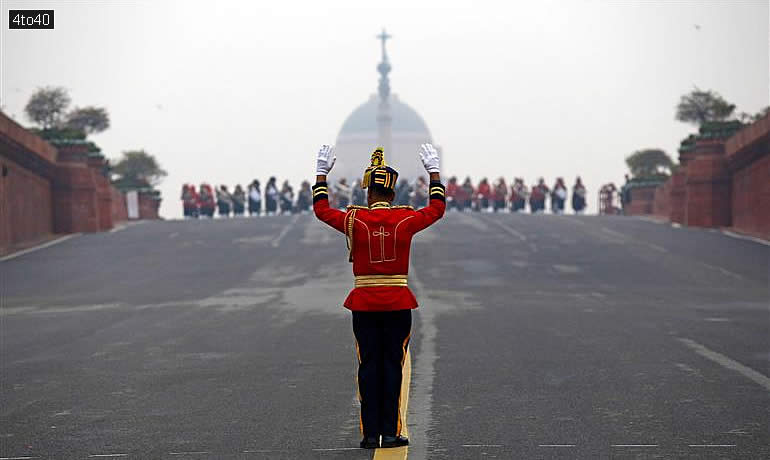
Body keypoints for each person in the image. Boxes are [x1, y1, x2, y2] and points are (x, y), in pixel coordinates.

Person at [312, 144, 445, 450]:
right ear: (392, 194)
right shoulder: (405, 219)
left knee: (368, 367)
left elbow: (321, 210)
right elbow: (437, 209)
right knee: (393, 367)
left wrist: (321, 174)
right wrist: (434, 172)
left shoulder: (354, 220)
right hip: (397, 303)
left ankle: (370, 434)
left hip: (364, 304)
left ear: (369, 194)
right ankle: (391, 432)